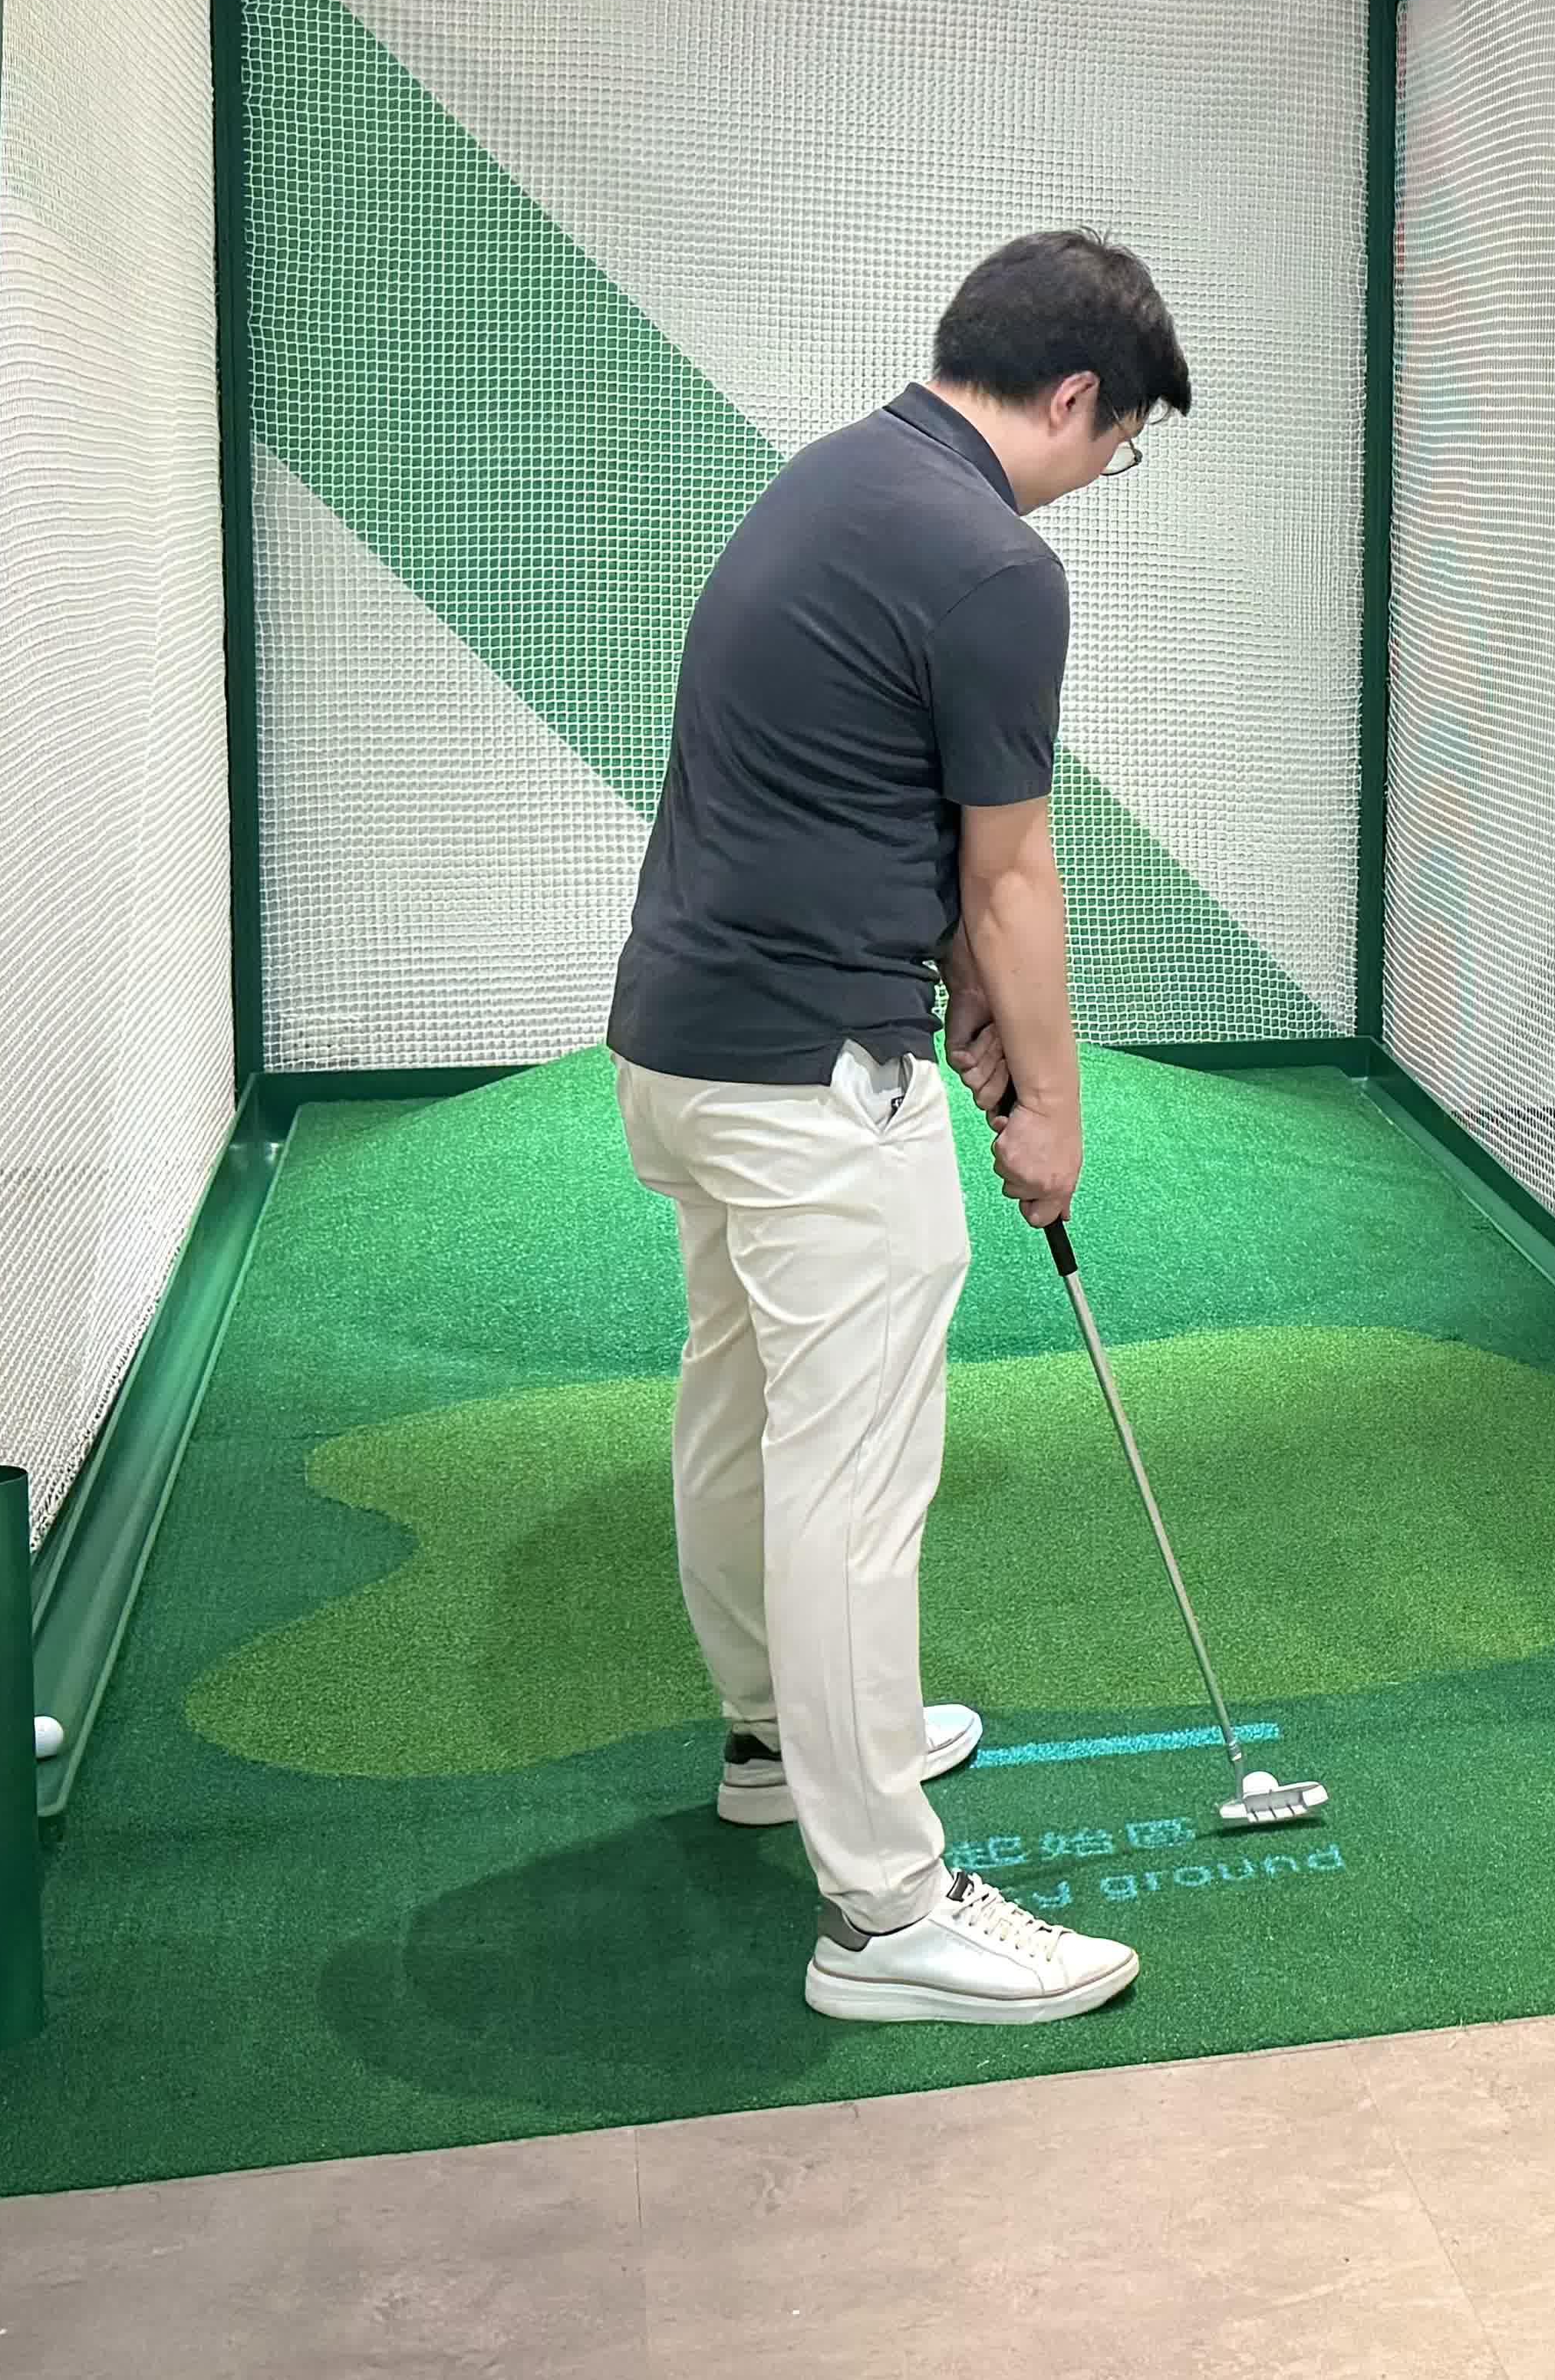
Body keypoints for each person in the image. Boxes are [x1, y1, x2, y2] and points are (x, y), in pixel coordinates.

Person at [607, 229, 1191, 2026]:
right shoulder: (995, 561)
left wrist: (951, 979)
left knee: (741, 1404)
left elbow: (856, 794)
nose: (1098, 478)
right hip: (809, 1084)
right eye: (1118, 447)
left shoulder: (836, 475)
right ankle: (884, 1911)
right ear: (1075, 396)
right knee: (852, 1483)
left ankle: (775, 1740)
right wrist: (1052, 1109)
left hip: (682, 1050)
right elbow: (1009, 873)